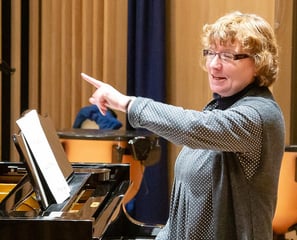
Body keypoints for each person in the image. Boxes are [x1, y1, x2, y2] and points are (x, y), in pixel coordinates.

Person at [81, 11, 285, 240]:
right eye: (211, 53)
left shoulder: (259, 115)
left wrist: (127, 103)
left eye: (227, 56)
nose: (214, 65)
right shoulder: (220, 107)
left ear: (258, 63)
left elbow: (194, 127)